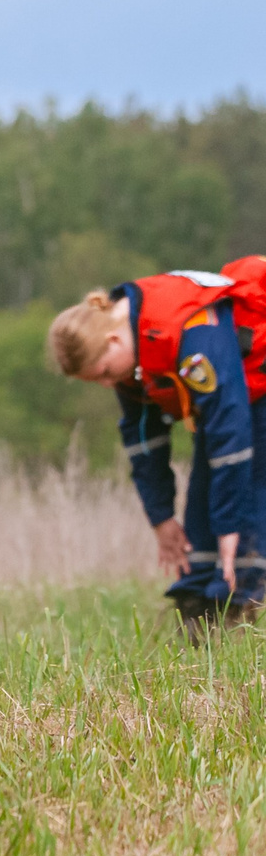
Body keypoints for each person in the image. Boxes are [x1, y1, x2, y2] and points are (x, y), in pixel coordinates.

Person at [49, 258, 266, 627]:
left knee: (244, 515)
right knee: (203, 508)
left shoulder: (192, 332)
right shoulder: (131, 348)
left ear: (114, 341)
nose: (107, 385)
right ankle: (198, 615)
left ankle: (240, 611)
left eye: (104, 373)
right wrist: (161, 516)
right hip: (230, 402)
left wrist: (231, 527)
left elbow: (231, 433)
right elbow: (143, 441)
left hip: (253, 391)